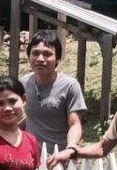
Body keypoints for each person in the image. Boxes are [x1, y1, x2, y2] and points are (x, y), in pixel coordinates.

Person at [20, 30, 86, 159]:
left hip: (59, 158)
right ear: (29, 56)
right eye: (35, 53)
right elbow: (24, 120)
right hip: (30, 157)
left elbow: (75, 123)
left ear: (57, 58)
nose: (40, 59)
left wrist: (71, 148)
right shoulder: (24, 83)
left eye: (47, 54)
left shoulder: (70, 86)